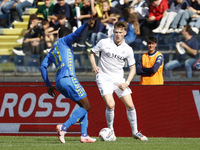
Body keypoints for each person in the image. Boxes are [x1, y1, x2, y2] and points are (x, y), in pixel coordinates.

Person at [89, 21, 148, 141]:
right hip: (104, 77)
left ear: (125, 33)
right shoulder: (104, 42)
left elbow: (133, 69)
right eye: (116, 32)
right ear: (113, 32)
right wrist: (94, 66)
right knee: (111, 105)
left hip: (119, 80)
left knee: (130, 105)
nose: (117, 34)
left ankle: (135, 132)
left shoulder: (128, 49)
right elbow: (91, 53)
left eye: (120, 32)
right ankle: (111, 131)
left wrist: (127, 82)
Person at [40, 20, 96, 144]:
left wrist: (48, 85)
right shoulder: (64, 41)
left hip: (59, 82)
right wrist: (86, 24)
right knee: (87, 106)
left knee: (83, 106)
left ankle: (84, 135)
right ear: (66, 36)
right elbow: (76, 34)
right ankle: (63, 127)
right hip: (69, 78)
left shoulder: (52, 50)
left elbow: (42, 67)